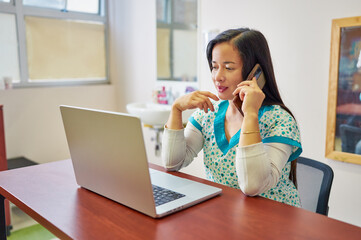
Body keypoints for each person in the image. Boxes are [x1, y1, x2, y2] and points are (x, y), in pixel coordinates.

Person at [161, 28, 302, 207]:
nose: (217, 76)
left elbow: (252, 186)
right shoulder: (209, 114)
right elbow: (173, 163)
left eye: (228, 68)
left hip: (274, 222)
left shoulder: (280, 120)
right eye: (214, 66)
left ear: (255, 72)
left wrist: (250, 114)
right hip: (224, 217)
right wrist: (176, 110)